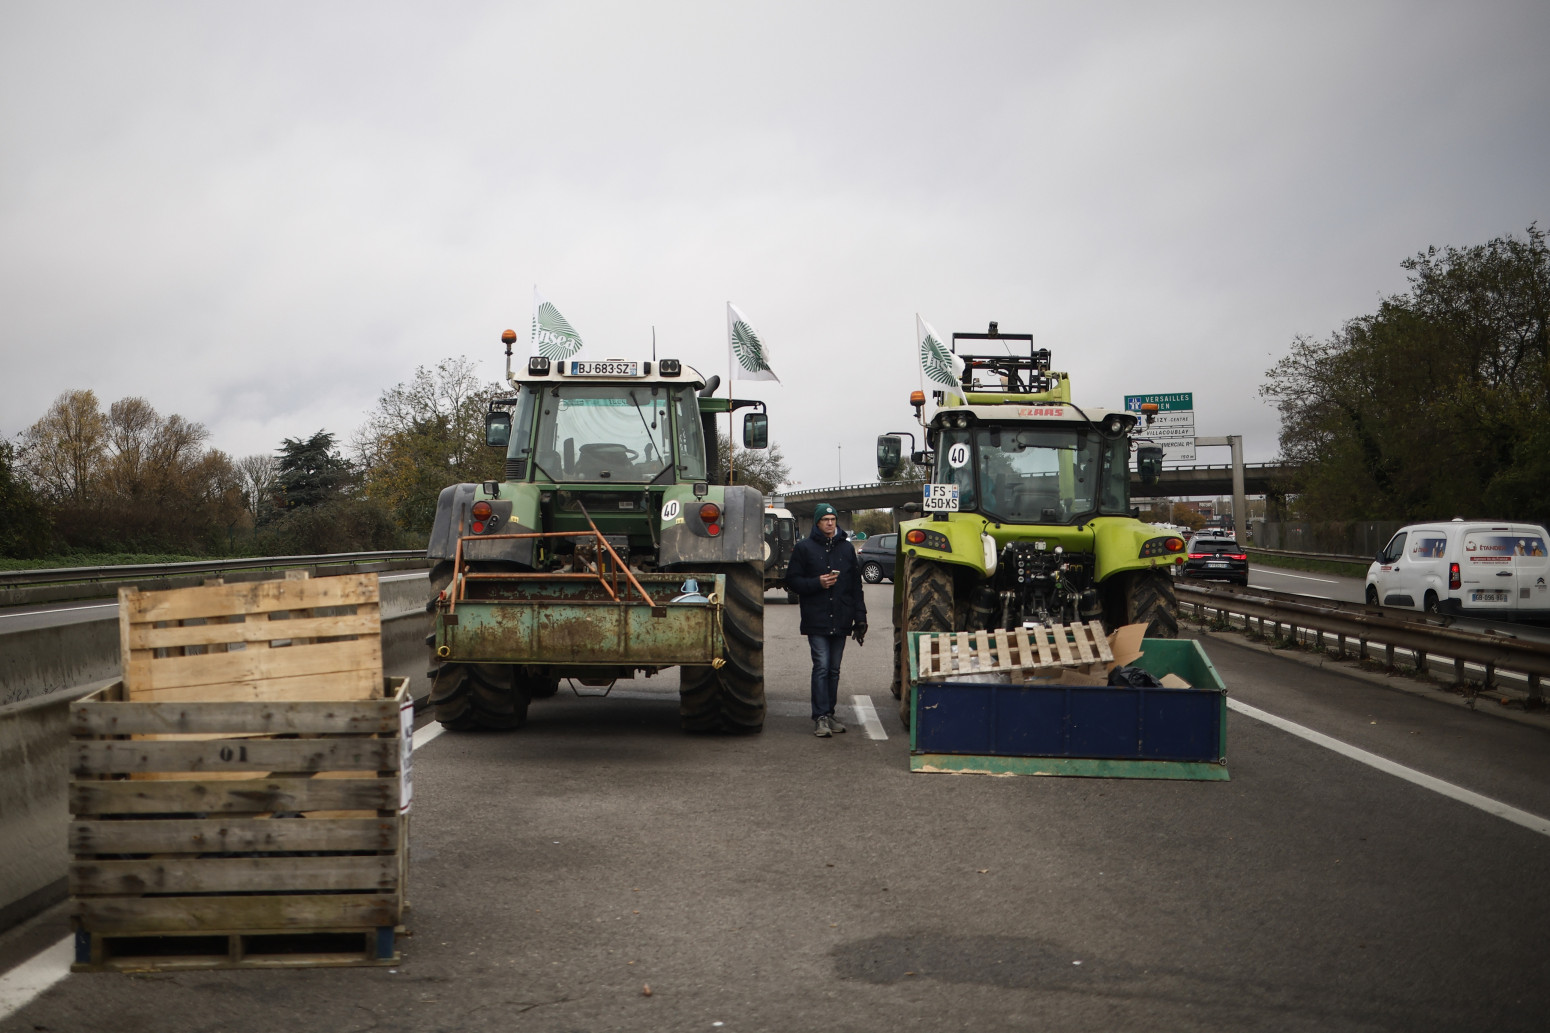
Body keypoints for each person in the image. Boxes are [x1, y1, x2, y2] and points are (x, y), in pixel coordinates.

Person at [787, 502, 867, 737]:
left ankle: (829, 714)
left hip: (841, 618)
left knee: (834, 669)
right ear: (817, 522)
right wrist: (817, 583)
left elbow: (855, 586)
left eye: (833, 519)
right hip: (817, 617)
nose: (830, 523)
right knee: (821, 667)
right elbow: (792, 581)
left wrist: (860, 618)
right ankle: (820, 717)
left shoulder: (846, 549)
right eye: (825, 520)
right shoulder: (804, 548)